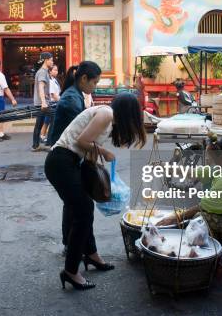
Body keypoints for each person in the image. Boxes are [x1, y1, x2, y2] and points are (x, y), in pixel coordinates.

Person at [45, 93, 147, 290]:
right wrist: (104, 152)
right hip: (61, 162)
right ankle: (71, 271)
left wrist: (95, 156)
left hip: (70, 162)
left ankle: (91, 255)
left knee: (82, 210)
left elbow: (85, 143)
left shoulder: (108, 117)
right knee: (83, 212)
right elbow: (82, 140)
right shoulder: (107, 113)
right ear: (129, 113)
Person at [46, 61, 102, 252]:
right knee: (77, 204)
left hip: (67, 155)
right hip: (64, 156)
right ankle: (73, 245)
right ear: (84, 79)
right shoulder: (72, 98)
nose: (95, 87)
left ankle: (80, 247)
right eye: (94, 82)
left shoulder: (75, 94)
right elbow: (81, 134)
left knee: (75, 203)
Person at [31, 52, 54, 151]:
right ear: (46, 60)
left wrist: (45, 96)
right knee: (55, 117)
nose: (52, 62)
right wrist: (44, 102)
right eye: (51, 60)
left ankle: (35, 145)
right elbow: (41, 87)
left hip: (41, 102)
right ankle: (49, 143)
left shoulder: (43, 72)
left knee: (39, 124)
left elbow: (42, 89)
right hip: (42, 104)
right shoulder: (42, 72)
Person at [40, 65, 61, 143]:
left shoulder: (54, 80)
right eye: (54, 70)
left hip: (55, 103)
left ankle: (45, 136)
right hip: (52, 103)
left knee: (49, 121)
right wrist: (61, 100)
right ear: (50, 71)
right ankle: (42, 136)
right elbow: (52, 94)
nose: (56, 72)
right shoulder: (50, 81)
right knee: (47, 121)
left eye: (57, 70)